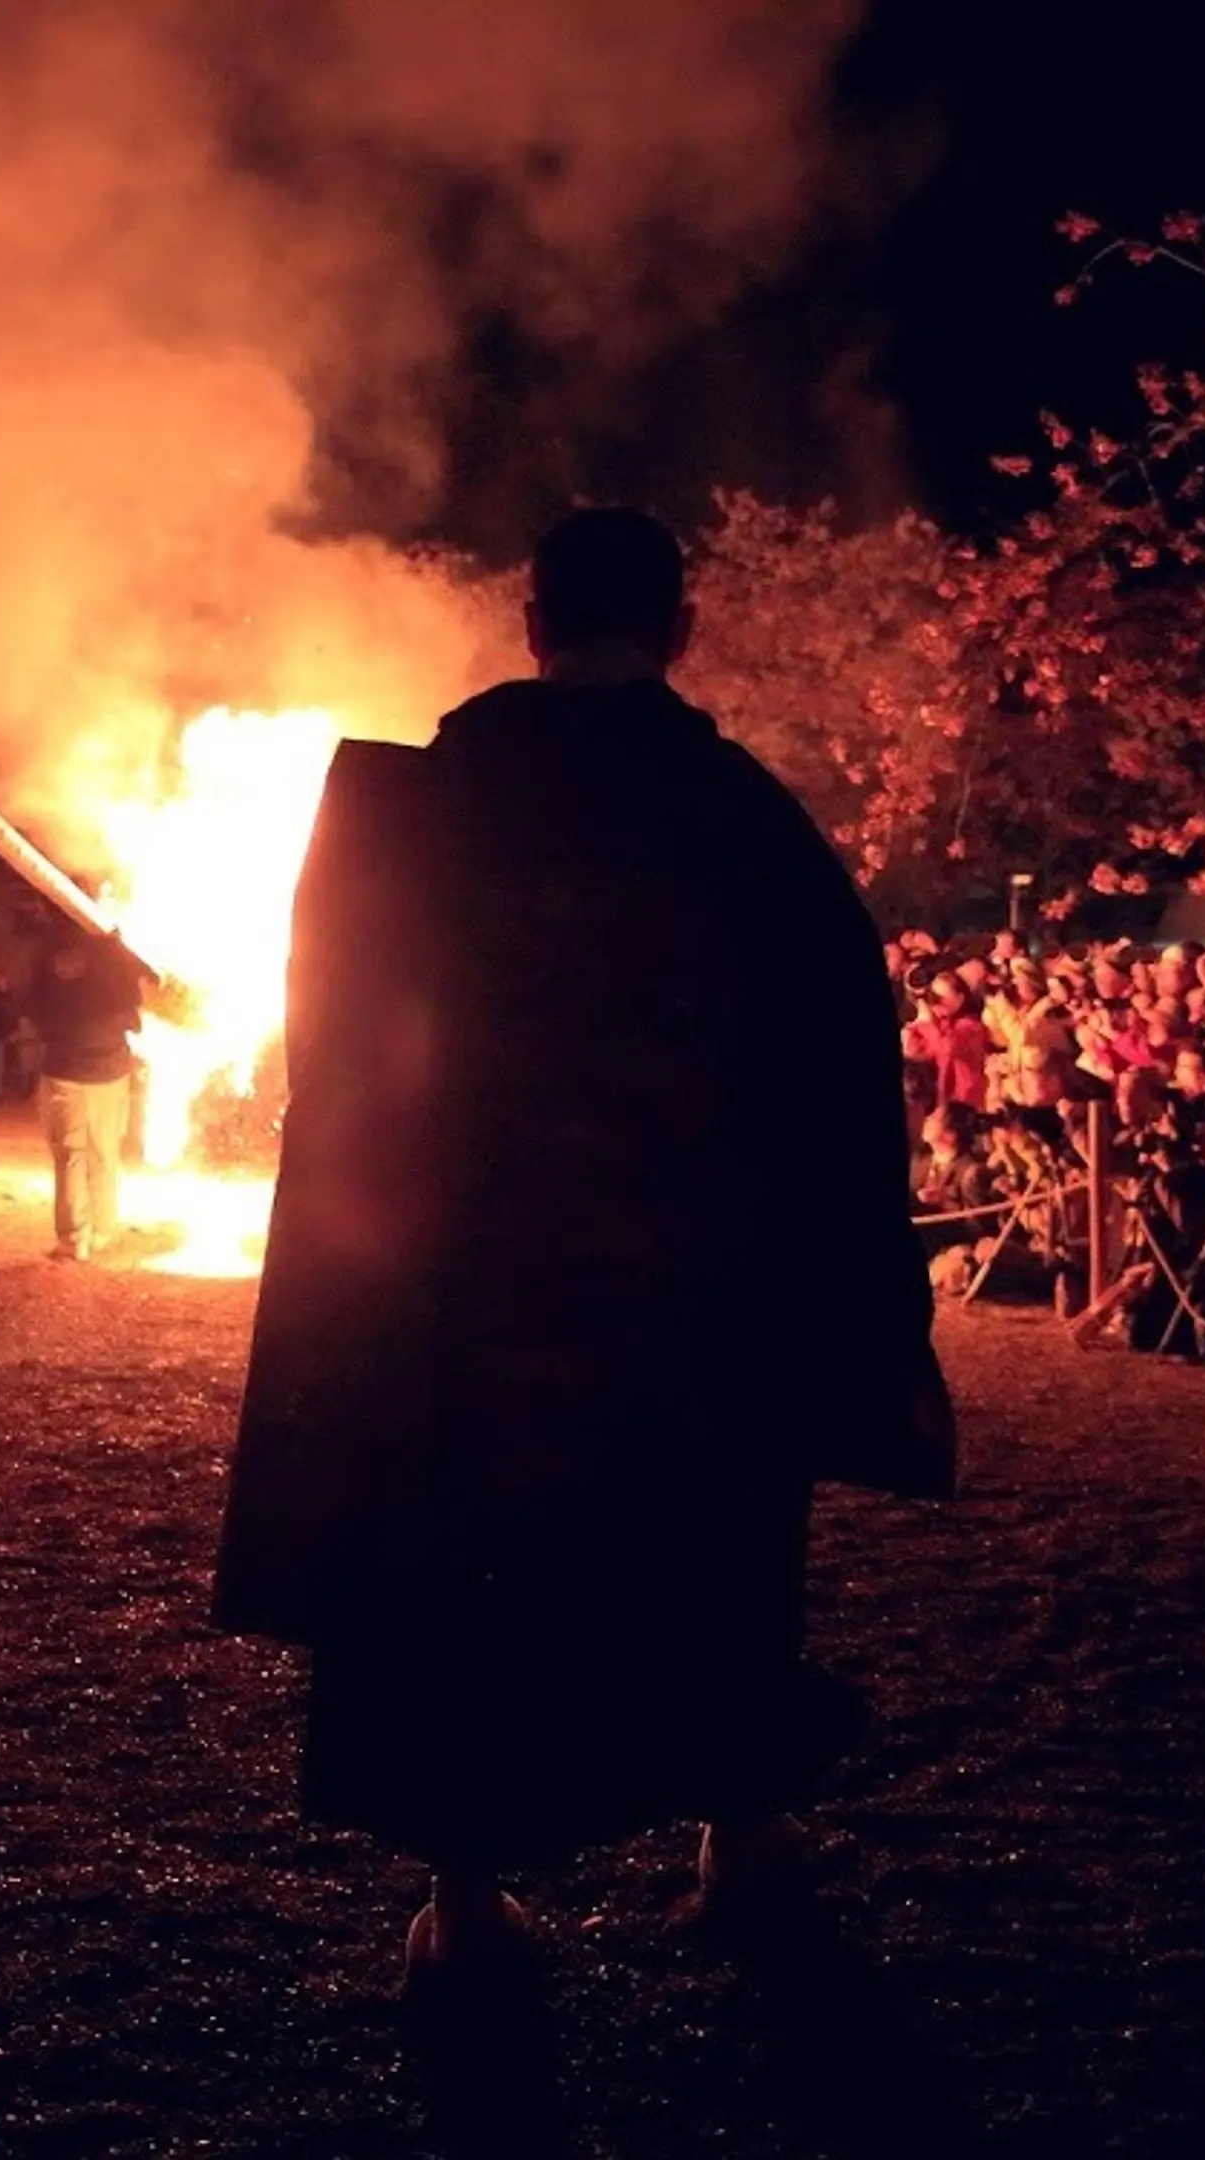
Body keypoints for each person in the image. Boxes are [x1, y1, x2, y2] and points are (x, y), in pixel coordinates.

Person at [215, 507, 955, 2002]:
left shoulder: (418, 805)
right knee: (706, 1550)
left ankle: (467, 1906)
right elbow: (831, 1060)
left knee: (455, 1565)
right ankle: (743, 1842)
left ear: (530, 621)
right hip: (687, 1290)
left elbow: (341, 1044)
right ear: (678, 631)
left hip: (461, 1285)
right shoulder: (743, 819)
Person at [25, 923, 147, 1260]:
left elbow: (33, 1007)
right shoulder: (116, 953)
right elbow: (134, 1007)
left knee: (70, 1156)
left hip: (64, 1066)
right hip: (108, 1068)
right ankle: (102, 1231)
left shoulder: (48, 952)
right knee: (105, 1152)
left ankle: (74, 1238)